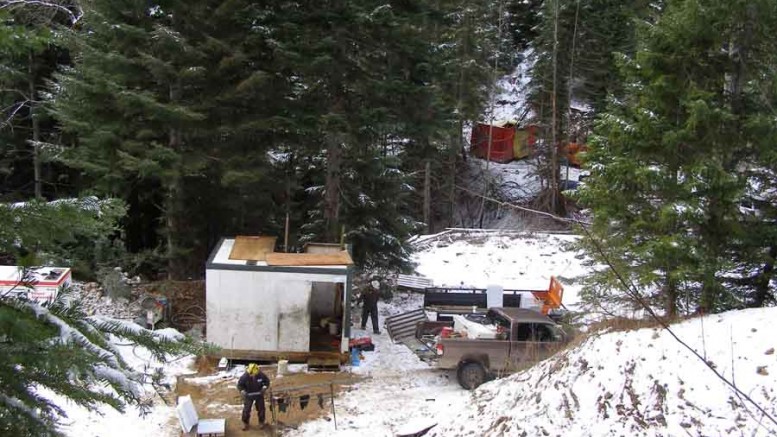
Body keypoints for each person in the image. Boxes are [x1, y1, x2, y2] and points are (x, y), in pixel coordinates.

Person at [237, 363, 270, 431]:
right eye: (250, 374)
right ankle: (245, 422)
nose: (251, 375)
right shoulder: (245, 376)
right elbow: (240, 385)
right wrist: (242, 391)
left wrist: (264, 388)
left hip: (259, 394)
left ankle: (261, 422)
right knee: (246, 410)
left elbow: (267, 382)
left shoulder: (261, 375)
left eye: (253, 374)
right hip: (248, 395)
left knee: (261, 409)